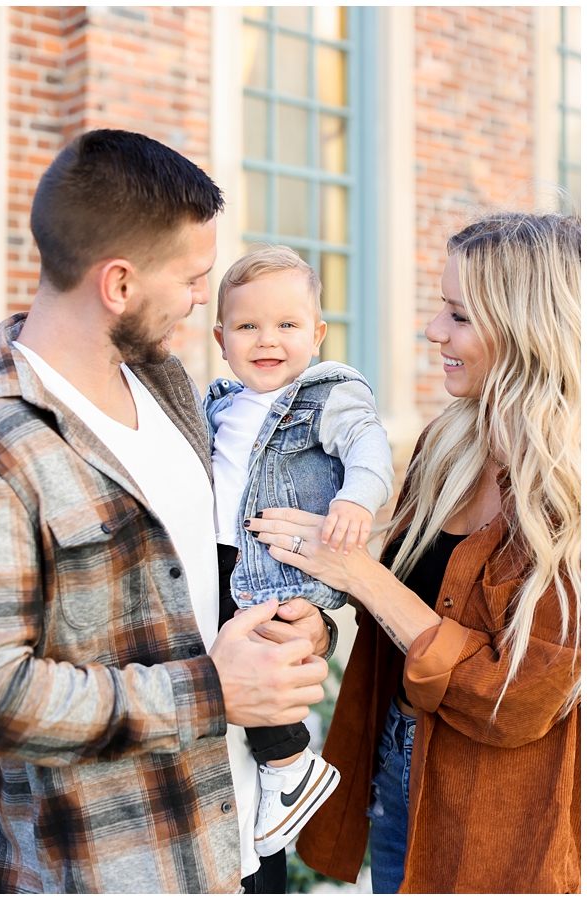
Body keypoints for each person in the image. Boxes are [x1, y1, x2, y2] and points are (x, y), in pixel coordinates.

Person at [0, 129, 332, 894]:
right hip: (123, 865)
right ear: (118, 285)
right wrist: (212, 692)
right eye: (192, 278)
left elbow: (213, 570)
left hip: (242, 839)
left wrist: (309, 617)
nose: (200, 302)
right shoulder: (0, 441)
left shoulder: (167, 382)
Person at [247, 212, 580, 892]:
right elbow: (395, 614)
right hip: (398, 768)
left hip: (496, 813)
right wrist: (320, 610)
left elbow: (521, 702)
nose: (434, 332)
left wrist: (362, 575)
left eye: (458, 315)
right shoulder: (446, 446)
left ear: (525, 328)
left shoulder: (572, 492)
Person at [205, 246, 394, 856]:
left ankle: (290, 766)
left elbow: (369, 448)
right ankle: (275, 770)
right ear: (221, 337)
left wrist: (355, 503)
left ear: (316, 335)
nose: (268, 340)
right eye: (247, 326)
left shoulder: (326, 395)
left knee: (262, 661)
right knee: (231, 661)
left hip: (275, 568)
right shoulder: (218, 403)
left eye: (287, 325)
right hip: (221, 556)